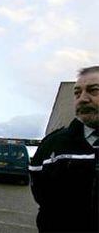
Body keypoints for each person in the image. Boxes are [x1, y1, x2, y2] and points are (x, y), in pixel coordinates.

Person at [29, 66, 99, 232]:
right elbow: (43, 199)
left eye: (93, 90)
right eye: (77, 93)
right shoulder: (52, 145)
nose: (82, 99)